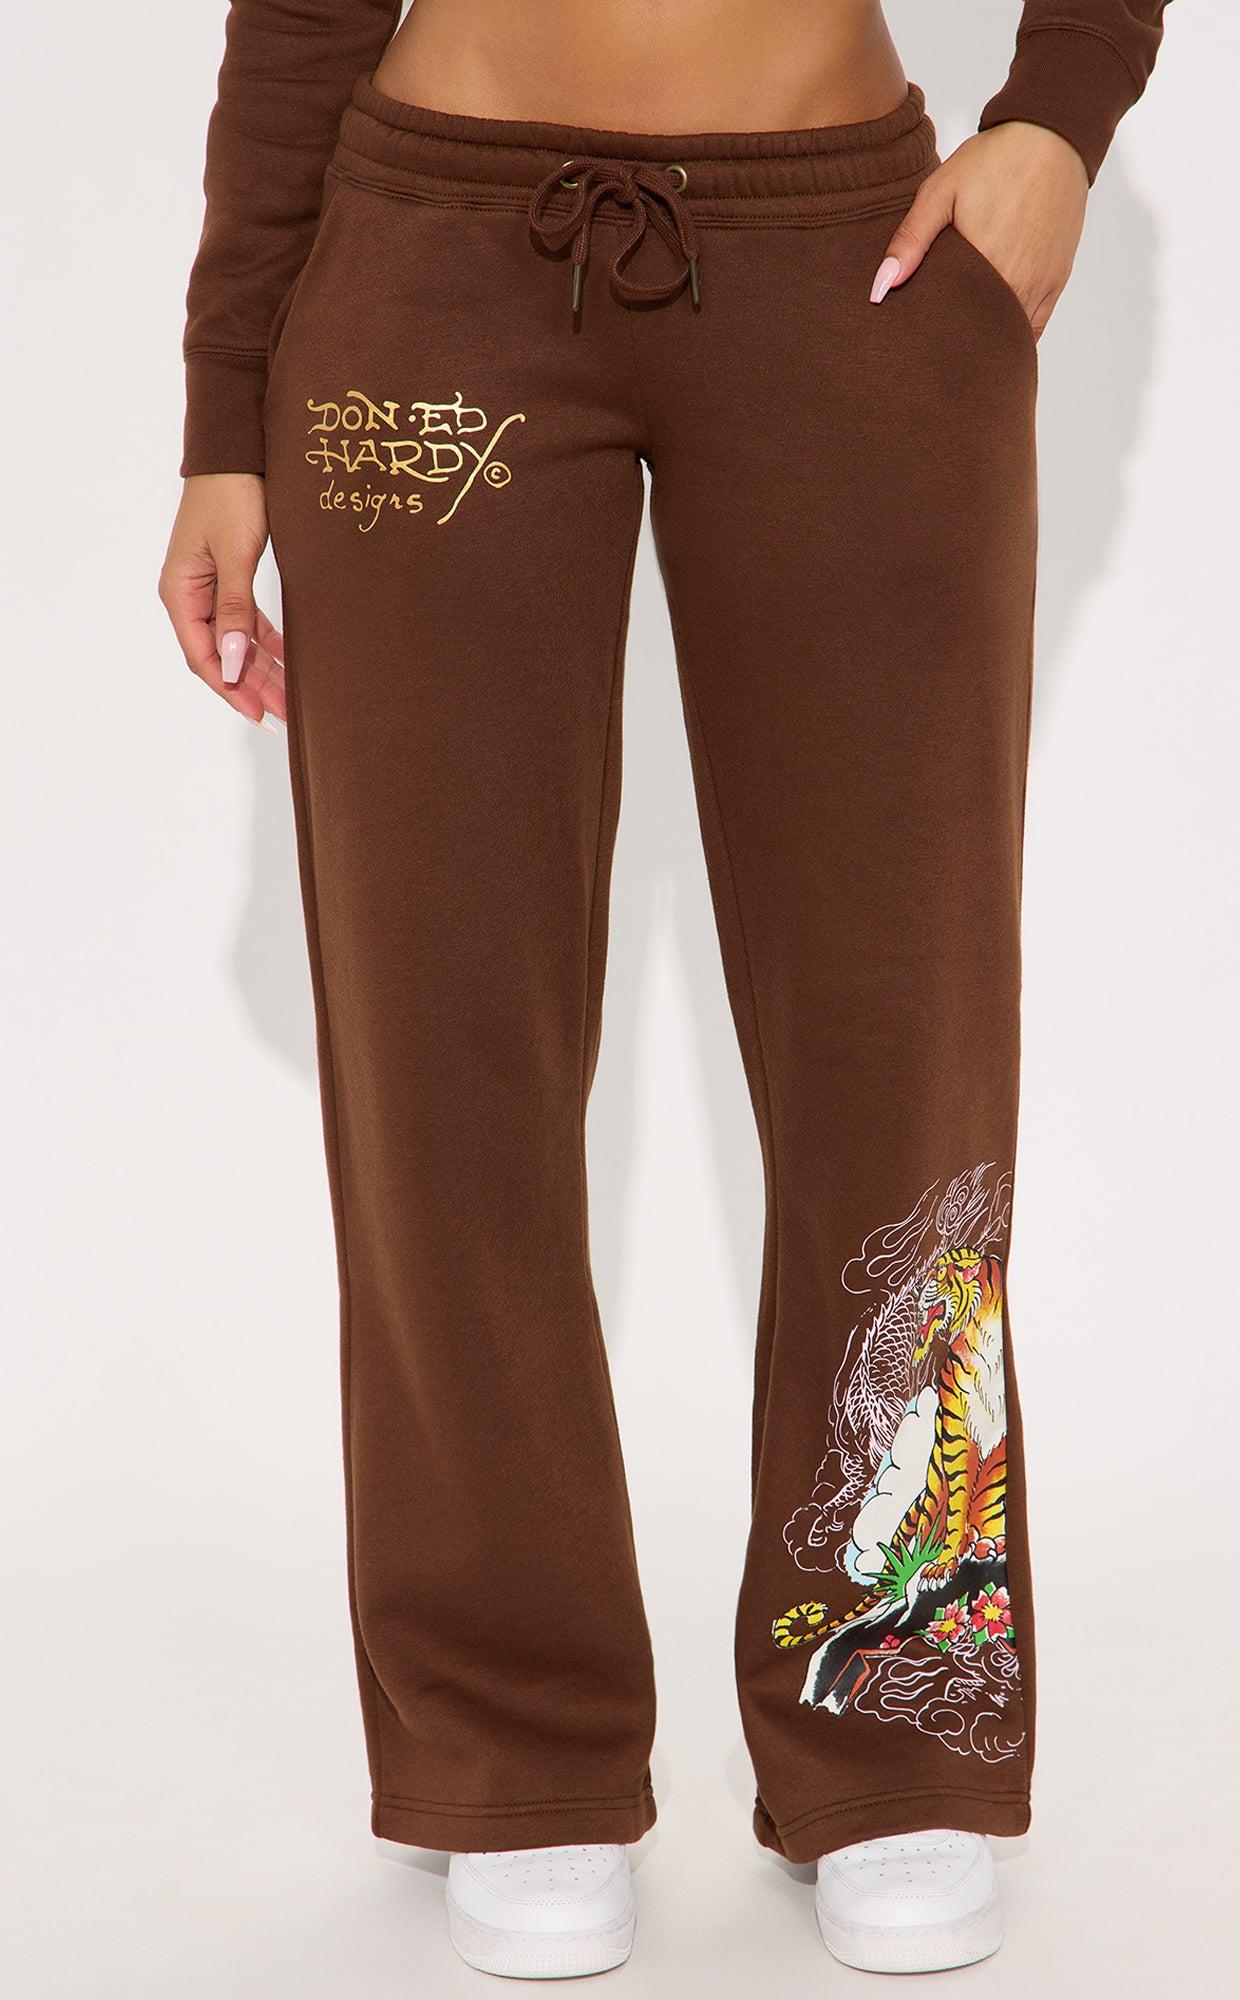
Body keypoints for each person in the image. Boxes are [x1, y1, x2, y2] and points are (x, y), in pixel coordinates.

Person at [159, 0, 1167, 1977]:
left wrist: (1058, 114)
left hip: (856, 271)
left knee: (898, 1026)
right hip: (430, 276)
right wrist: (221, 406)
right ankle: (509, 1743)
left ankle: (888, 1705)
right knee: (443, 1040)